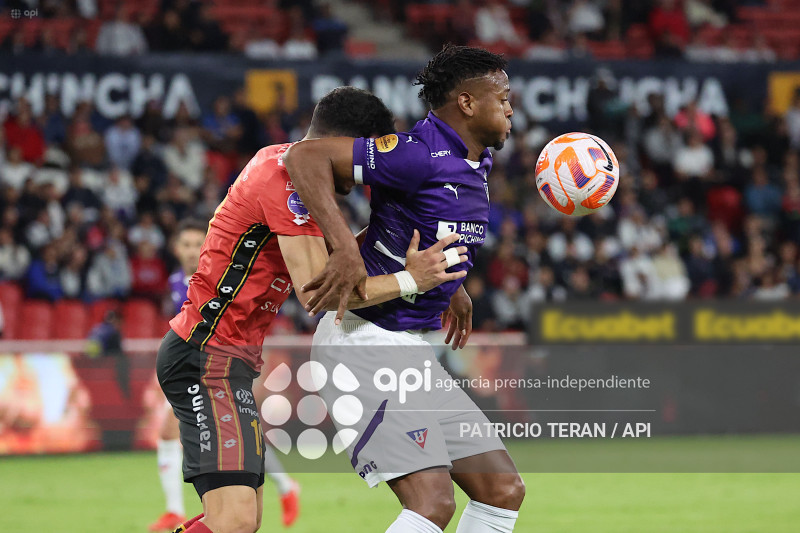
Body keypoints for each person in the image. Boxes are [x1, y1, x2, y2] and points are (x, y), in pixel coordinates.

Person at [157, 86, 467, 533]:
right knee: (236, 522)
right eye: (361, 160)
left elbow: (339, 262)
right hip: (206, 355)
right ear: (344, 145)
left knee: (240, 522)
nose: (363, 177)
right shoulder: (287, 182)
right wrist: (411, 280)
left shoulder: (283, 167)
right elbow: (318, 293)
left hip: (227, 358)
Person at [282, 44, 525, 533]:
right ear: (467, 103)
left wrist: (451, 287)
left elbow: (430, 228)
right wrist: (344, 249)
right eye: (502, 97)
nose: (510, 108)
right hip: (363, 344)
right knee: (431, 504)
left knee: (502, 491)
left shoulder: (475, 162)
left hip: (407, 348)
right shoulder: (417, 155)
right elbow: (304, 157)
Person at [149, 219, 301, 532]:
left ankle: (284, 486)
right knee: (237, 438)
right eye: (186, 245)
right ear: (176, 249)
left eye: (196, 244)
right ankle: (176, 509)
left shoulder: (219, 274)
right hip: (200, 364)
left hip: (223, 364)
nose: (192, 251)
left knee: (242, 440)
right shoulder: (177, 281)